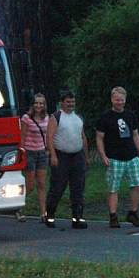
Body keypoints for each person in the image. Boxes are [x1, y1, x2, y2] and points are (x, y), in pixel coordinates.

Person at [95, 86, 139, 228]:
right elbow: (99, 137)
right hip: (114, 157)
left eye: (122, 100)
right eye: (117, 100)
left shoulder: (130, 115)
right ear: (112, 100)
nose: (119, 102)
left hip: (131, 155)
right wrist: (103, 155)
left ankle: (133, 212)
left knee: (138, 183)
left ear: (125, 100)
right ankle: (113, 215)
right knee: (113, 187)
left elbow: (136, 135)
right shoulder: (105, 117)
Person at [45, 89, 89, 229]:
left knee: (78, 188)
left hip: (77, 155)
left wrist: (86, 156)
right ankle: (50, 215)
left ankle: (77, 218)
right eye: (68, 102)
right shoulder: (56, 117)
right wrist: (53, 155)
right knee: (57, 187)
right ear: (62, 103)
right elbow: (49, 137)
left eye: (73, 102)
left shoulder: (78, 118)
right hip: (61, 155)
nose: (71, 104)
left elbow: (83, 137)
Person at [20, 93, 49, 224]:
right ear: (33, 105)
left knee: (42, 184)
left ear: (44, 105)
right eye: (36, 103)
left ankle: (43, 213)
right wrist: (21, 152)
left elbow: (48, 135)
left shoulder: (47, 118)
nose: (39, 105)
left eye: (41, 103)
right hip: (29, 152)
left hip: (41, 152)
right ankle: (19, 208)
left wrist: (48, 149)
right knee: (30, 185)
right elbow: (22, 136)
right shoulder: (26, 118)